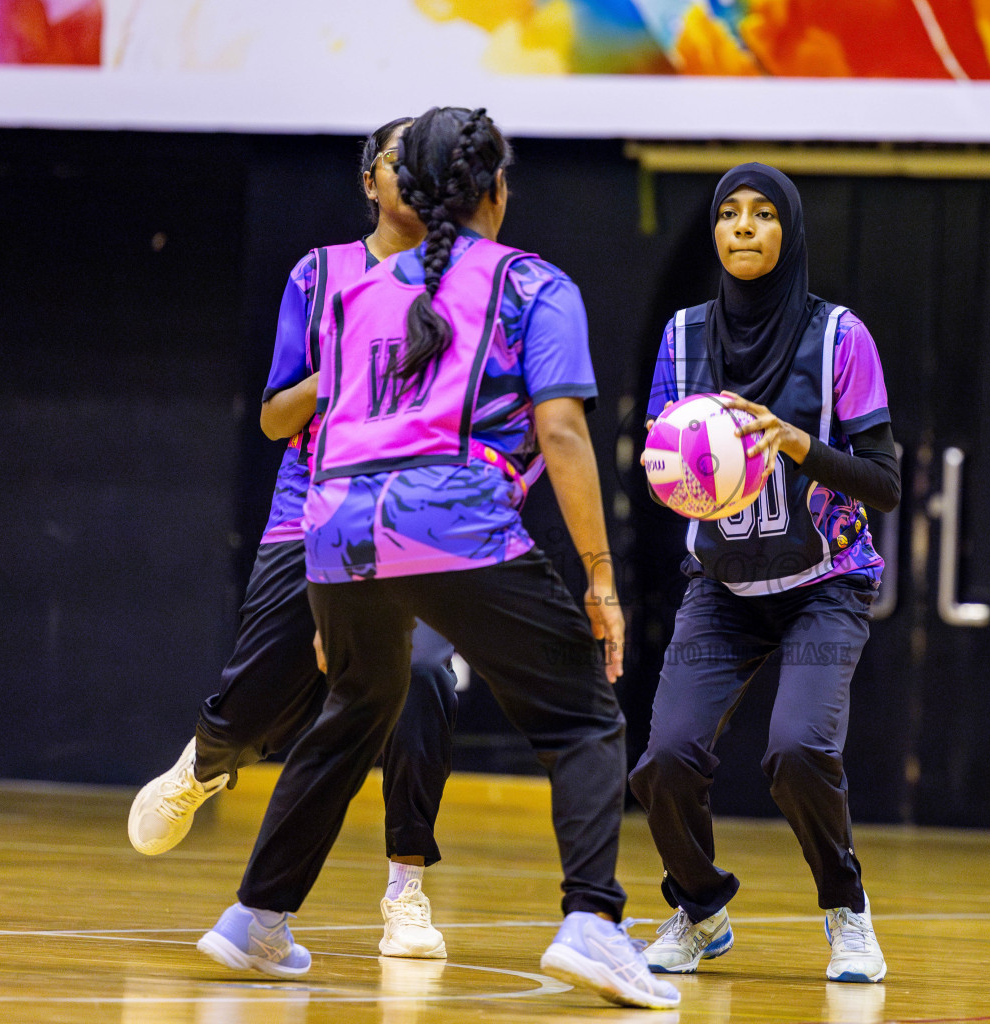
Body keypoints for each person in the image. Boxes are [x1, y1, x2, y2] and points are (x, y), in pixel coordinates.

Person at [193, 105, 678, 1010]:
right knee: (582, 717)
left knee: (353, 712)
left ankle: (255, 918)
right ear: (497, 188)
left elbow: (324, 431)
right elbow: (563, 433)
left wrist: (339, 584)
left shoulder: (355, 290)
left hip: (335, 525)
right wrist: (602, 577)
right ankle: (592, 923)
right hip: (448, 515)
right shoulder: (533, 285)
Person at [128, 116, 458, 959]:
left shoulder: (466, 282)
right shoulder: (321, 276)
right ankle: (208, 760)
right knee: (265, 692)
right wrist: (345, 362)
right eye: (400, 160)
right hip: (310, 512)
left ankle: (406, 889)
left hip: (413, 522)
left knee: (423, 680)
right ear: (369, 180)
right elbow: (278, 418)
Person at [629, 163, 899, 983]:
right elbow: (660, 460)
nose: (743, 228)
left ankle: (846, 910)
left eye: (763, 214)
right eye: (729, 214)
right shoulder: (681, 341)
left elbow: (885, 481)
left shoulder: (840, 337)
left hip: (826, 581)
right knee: (665, 760)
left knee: (796, 751)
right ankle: (700, 908)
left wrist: (796, 445)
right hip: (724, 586)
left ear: (790, 231)